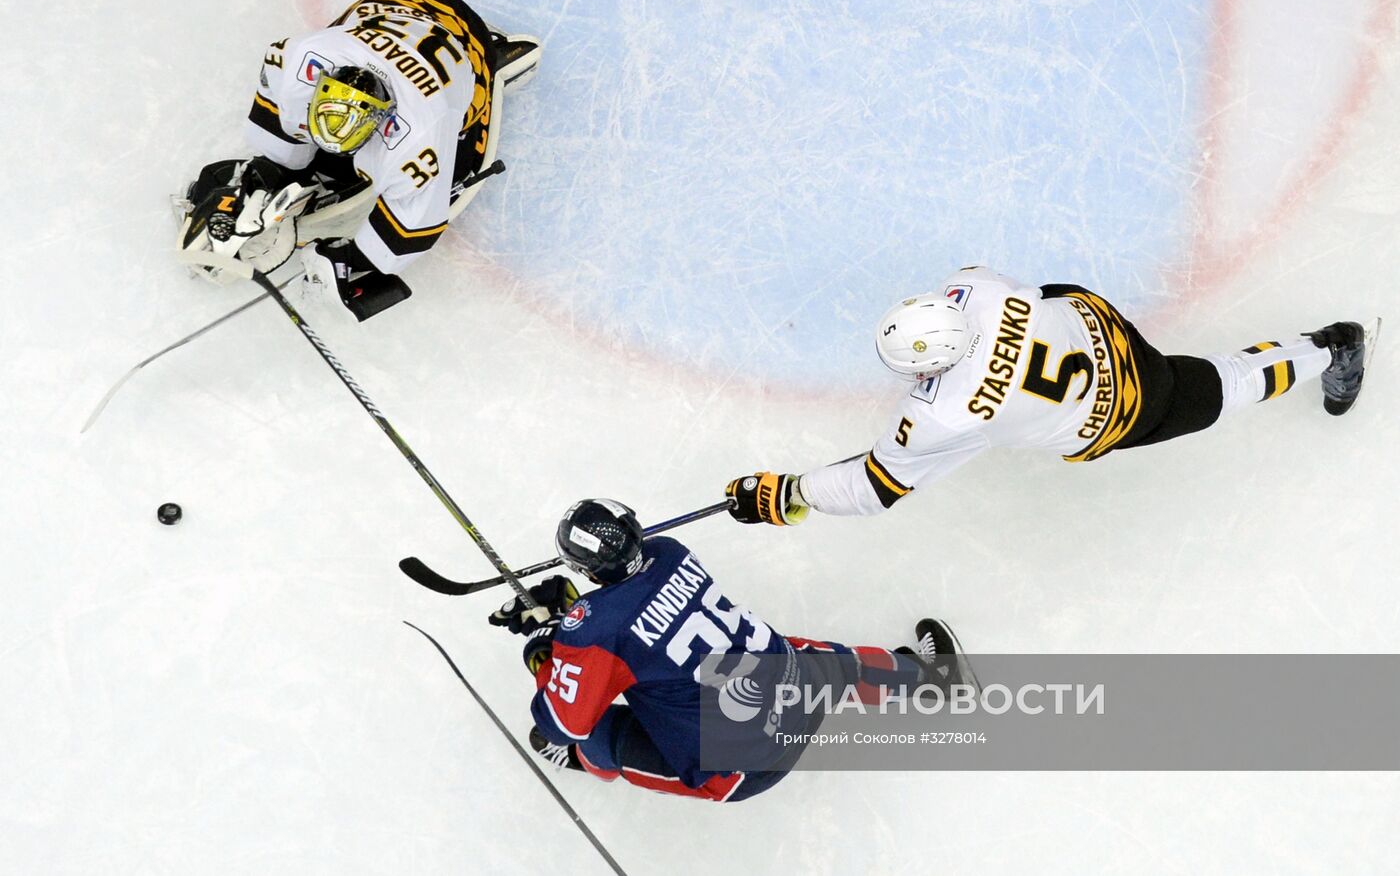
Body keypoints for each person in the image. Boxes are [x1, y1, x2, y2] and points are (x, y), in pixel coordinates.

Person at [723, 265, 1380, 523]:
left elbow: (873, 490)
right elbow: (1054, 290)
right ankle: (1321, 349)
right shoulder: (977, 288)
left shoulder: (940, 414)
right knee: (1206, 376)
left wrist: (789, 494)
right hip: (1109, 338)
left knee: (1221, 390)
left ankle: (1330, 347)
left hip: (1122, 410)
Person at [488, 498, 976, 802]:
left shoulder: (594, 633)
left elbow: (565, 715)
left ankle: (584, 760)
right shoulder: (668, 551)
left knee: (593, 729)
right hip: (797, 696)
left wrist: (545, 646)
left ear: (587, 573)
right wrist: (574, 618)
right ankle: (928, 679)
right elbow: (632, 619)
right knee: (810, 656)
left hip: (744, 768)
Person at [176, 0, 540, 320]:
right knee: (332, 155)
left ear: (386, 122)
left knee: (454, 170)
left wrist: (357, 258)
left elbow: (416, 229)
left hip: (465, 38)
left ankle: (492, 59)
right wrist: (271, 170)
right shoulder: (298, 61)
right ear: (317, 85)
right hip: (394, 2)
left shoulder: (418, 132)